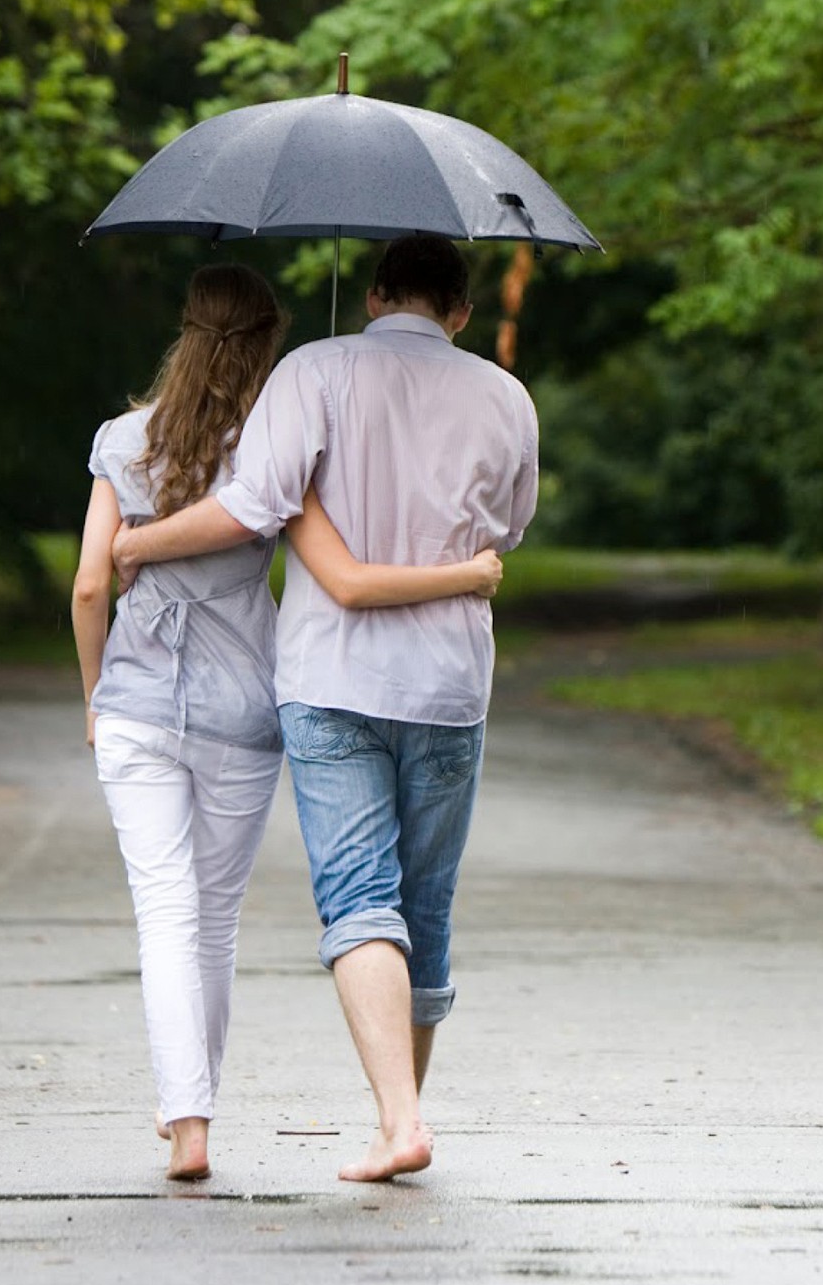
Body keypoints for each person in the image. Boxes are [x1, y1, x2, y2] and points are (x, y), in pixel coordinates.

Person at [111, 236, 539, 1182]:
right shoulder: (508, 398)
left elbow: (253, 505)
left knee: (359, 900)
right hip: (450, 685)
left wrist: (137, 549)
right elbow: (509, 526)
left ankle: (400, 1119)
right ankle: (401, 1118)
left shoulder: (314, 371)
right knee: (424, 906)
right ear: (461, 312)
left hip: (333, 685)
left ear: (376, 293)